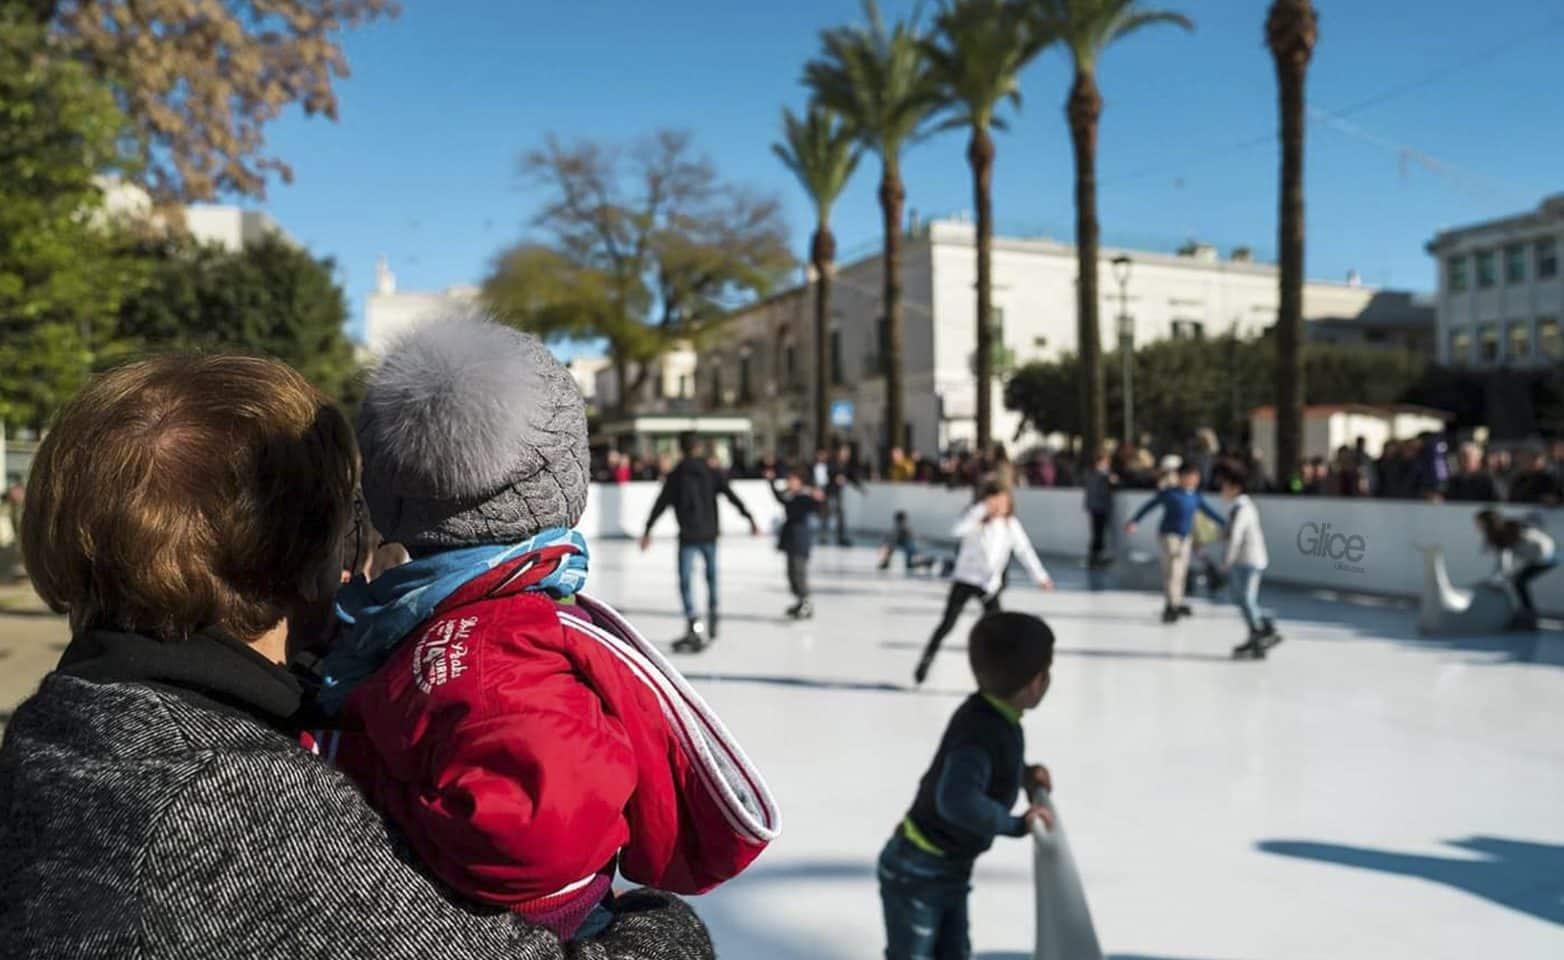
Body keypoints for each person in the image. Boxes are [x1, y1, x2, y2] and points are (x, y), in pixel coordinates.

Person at [0, 354, 710, 959]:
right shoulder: (229, 799)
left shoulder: (67, 724)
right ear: (309, 554)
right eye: (349, 519)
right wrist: (663, 929)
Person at [320, 318, 776, 940]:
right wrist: (381, 810)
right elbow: (541, 827)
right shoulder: (499, 646)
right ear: (558, 482)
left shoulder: (419, 612)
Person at [879, 612, 1057, 960]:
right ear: (1035, 683)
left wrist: (1024, 774)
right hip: (918, 869)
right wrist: (1018, 824)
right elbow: (958, 799)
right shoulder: (981, 731)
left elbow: (993, 767)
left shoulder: (994, 715)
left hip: (948, 866)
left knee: (954, 952)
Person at [913, 483, 1054, 686]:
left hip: (989, 585)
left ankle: (998, 676)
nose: (1000, 506)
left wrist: (1041, 576)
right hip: (964, 580)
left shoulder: (1010, 525)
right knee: (947, 624)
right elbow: (956, 530)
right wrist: (981, 511)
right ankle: (926, 659)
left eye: (1004, 501)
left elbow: (1024, 551)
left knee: (998, 631)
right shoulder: (975, 520)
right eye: (995, 501)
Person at [642, 431, 761, 651]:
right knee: (711, 578)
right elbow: (731, 495)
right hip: (709, 534)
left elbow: (660, 503)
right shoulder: (710, 471)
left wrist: (647, 530)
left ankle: (693, 620)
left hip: (688, 536)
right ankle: (714, 617)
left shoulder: (676, 475)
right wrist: (750, 518)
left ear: (681, 448)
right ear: (698, 447)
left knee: (686, 580)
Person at [1125, 463, 1227, 623]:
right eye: (1192, 477)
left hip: (1185, 538)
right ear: (1182, 477)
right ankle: (1171, 605)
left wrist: (1226, 523)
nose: (1195, 480)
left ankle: (1176, 602)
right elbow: (1149, 506)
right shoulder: (1169, 493)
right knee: (1173, 569)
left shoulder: (1195, 496)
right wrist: (1134, 521)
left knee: (1180, 572)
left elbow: (1210, 512)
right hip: (1168, 536)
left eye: (1196, 477)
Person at [1216, 466, 1281, 658]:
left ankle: (1261, 630)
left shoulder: (1242, 508)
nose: (1222, 491)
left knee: (1245, 598)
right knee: (1240, 597)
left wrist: (1227, 559)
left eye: (1225, 487)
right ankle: (1261, 628)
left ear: (1236, 488)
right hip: (1243, 559)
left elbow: (1236, 535)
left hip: (1249, 560)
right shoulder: (1238, 508)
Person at [1475, 508, 1558, 630]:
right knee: (1517, 580)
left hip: (1543, 555)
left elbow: (1504, 562)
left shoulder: (1503, 533)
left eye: (1479, 523)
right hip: (1539, 553)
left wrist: (1495, 580)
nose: (1477, 527)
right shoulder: (1505, 529)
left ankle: (1528, 616)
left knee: (1519, 582)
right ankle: (1526, 613)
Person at [769, 467, 824, 619]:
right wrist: (771, 482)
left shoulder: (803, 496)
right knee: (791, 573)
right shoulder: (790, 496)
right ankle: (800, 601)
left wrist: (818, 498)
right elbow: (780, 497)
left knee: (799, 573)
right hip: (790, 539)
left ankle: (806, 602)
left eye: (791, 480)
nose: (789, 482)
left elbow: (815, 505)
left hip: (800, 539)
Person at [824, 443, 864, 546]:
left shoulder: (846, 464)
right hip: (830, 492)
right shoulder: (832, 462)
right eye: (844, 452)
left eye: (847, 452)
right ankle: (824, 536)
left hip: (838, 493)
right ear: (838, 452)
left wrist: (859, 487)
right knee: (828, 514)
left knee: (839, 515)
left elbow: (850, 477)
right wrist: (836, 478)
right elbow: (829, 473)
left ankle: (840, 538)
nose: (846, 454)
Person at [1082, 453, 1115, 567]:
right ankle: (1095, 558)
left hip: (1096, 507)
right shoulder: (1100, 474)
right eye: (1105, 462)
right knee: (1098, 534)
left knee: (1098, 534)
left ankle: (1096, 557)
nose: (1107, 464)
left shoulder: (1092, 474)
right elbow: (1103, 489)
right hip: (1099, 507)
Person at [879, 510, 937, 574]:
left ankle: (927, 561)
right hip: (910, 549)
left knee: (909, 565)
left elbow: (891, 543)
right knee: (909, 565)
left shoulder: (902, 529)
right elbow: (891, 543)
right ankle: (927, 562)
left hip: (911, 549)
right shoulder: (900, 529)